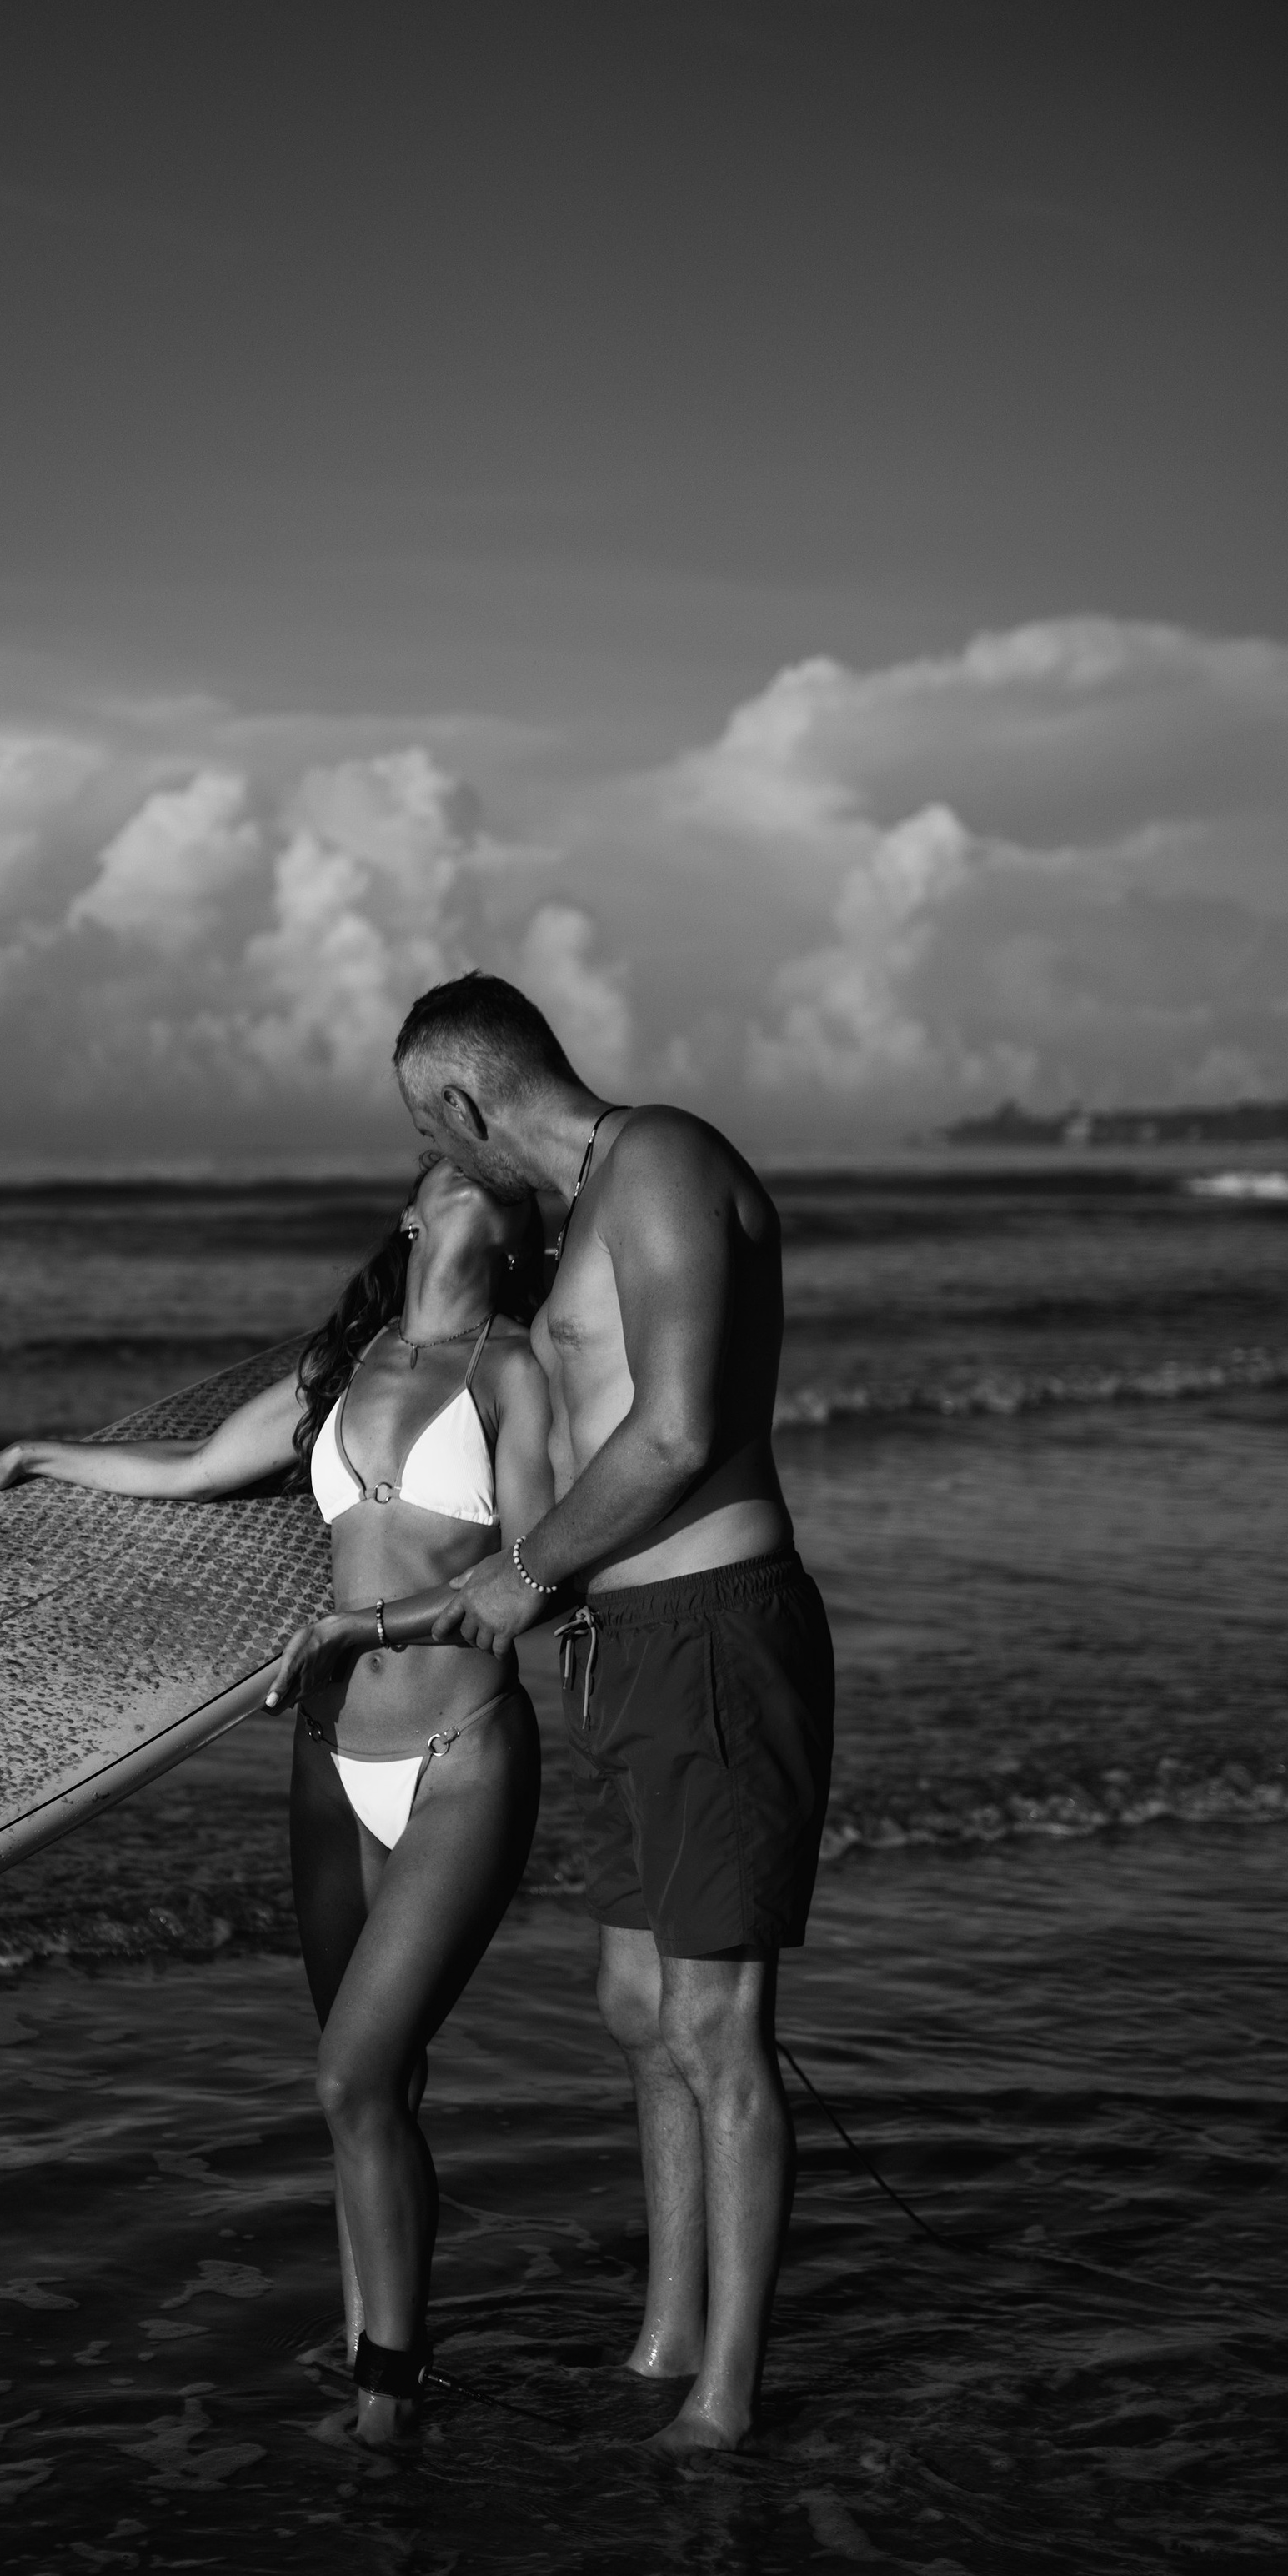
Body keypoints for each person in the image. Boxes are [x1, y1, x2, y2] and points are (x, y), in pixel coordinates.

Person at [0, 1155, 555, 2445]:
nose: (468, 1177)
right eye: (445, 1169)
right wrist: (35, 1453)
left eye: (493, 1177)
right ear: (410, 1213)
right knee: (370, 2090)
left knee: (351, 2077)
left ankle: (387, 2406)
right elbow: (194, 1468)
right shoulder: (341, 1366)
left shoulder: (514, 1373)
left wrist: (364, 1622)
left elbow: (534, 1580)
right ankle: (371, 2357)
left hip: (459, 1759)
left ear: (517, 1233)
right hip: (329, 1758)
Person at [396, 971, 834, 2455]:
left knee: (716, 2024)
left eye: (432, 1132)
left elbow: (677, 1427)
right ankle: (665, 2342)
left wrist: (525, 1572)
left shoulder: (660, 1160)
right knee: (639, 2006)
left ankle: (726, 2401)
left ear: (467, 1101)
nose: (441, 1163)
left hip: (712, 1630)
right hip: (627, 1643)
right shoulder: (589, 1204)